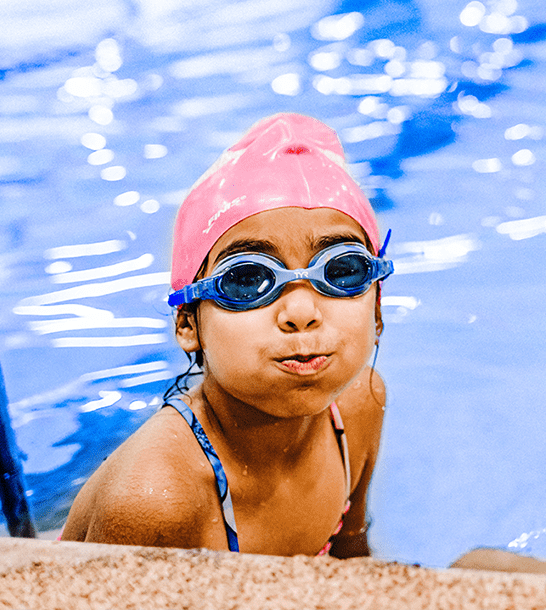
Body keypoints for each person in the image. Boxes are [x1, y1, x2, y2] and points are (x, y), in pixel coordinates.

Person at [60, 113, 390, 557]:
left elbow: (352, 560)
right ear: (188, 324)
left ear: (377, 307)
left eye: (343, 270)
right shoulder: (156, 503)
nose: (301, 313)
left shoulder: (359, 405)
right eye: (247, 279)